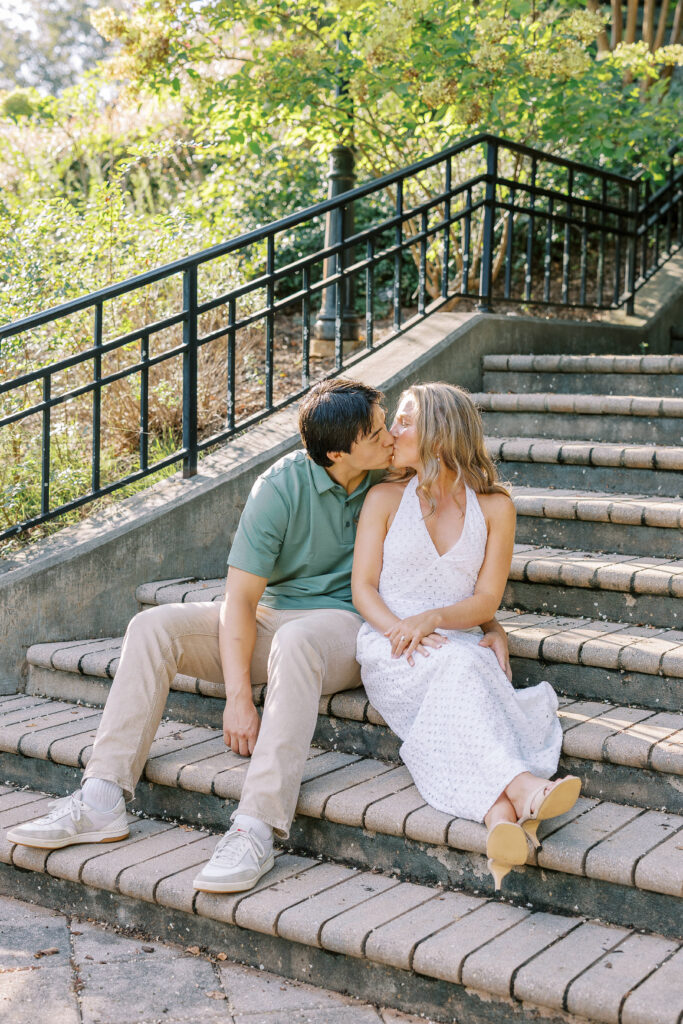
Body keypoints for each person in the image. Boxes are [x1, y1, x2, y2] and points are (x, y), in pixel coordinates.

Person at [7, 377, 512, 893]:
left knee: (298, 643)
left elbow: (448, 568)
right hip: (274, 619)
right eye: (378, 432)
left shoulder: (400, 482)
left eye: (390, 426)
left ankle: (256, 826)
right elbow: (241, 601)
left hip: (343, 630)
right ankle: (100, 797)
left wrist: (488, 627)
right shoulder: (280, 487)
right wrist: (237, 697)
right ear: (340, 451)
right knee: (152, 626)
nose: (390, 438)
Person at [352, 382, 580, 890]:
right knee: (465, 668)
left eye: (406, 421)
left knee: (467, 663)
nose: (393, 430)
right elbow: (363, 588)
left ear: (439, 433)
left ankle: (501, 822)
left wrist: (436, 620)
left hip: (453, 639)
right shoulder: (386, 498)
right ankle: (525, 788)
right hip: (390, 646)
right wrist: (401, 629)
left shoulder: (495, 508)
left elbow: (485, 602)